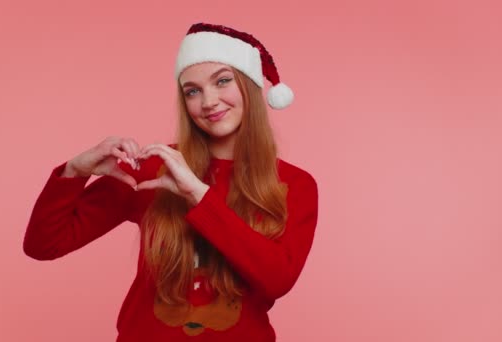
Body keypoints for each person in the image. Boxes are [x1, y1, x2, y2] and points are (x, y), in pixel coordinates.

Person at [23, 22, 319, 342]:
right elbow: (44, 245)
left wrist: (199, 196)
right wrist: (75, 172)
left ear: (250, 85)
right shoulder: (155, 168)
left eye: (222, 81)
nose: (208, 101)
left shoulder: (294, 184)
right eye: (193, 90)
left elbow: (278, 281)